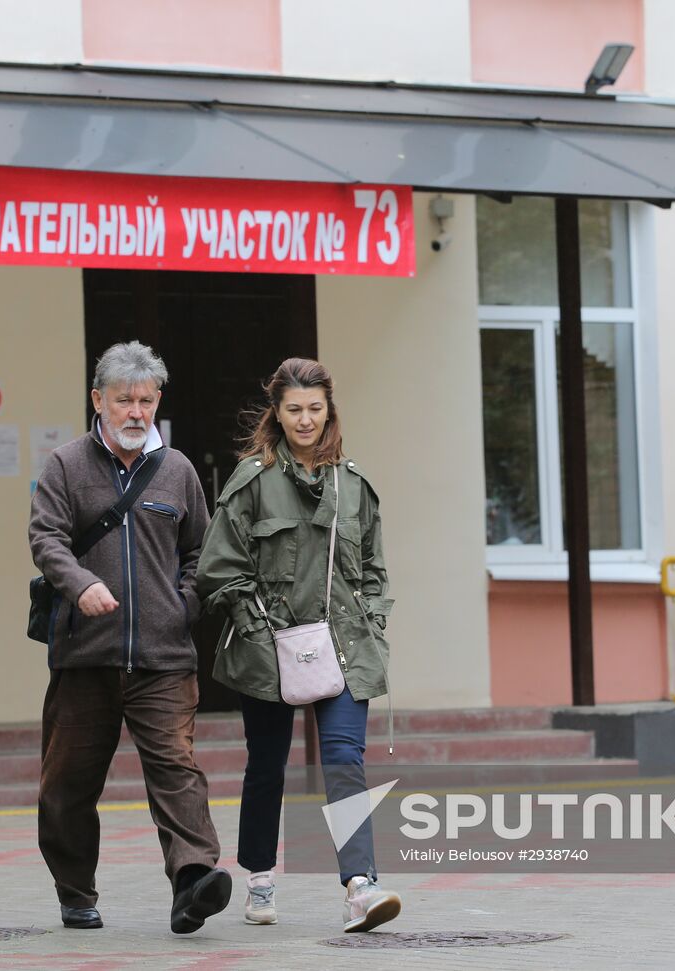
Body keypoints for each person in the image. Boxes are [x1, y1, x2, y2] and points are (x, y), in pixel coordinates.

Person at [29, 341, 231, 934]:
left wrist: (184, 603)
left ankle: (193, 882)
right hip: (84, 656)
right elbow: (46, 540)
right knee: (66, 783)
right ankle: (74, 890)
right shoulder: (65, 465)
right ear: (99, 400)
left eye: (145, 400)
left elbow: (202, 552)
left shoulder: (179, 471)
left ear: (157, 400)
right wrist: (79, 583)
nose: (136, 411)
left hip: (164, 658)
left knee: (176, 768)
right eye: (124, 400)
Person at [196, 357, 401, 933]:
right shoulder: (252, 482)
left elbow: (375, 573)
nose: (305, 420)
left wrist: (374, 624)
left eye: (315, 409)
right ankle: (259, 876)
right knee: (267, 766)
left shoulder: (353, 486)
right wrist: (255, 626)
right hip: (269, 646)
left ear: (329, 410)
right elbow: (218, 568)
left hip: (344, 643)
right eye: (294, 410)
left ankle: (360, 886)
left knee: (344, 760)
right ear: (277, 413)